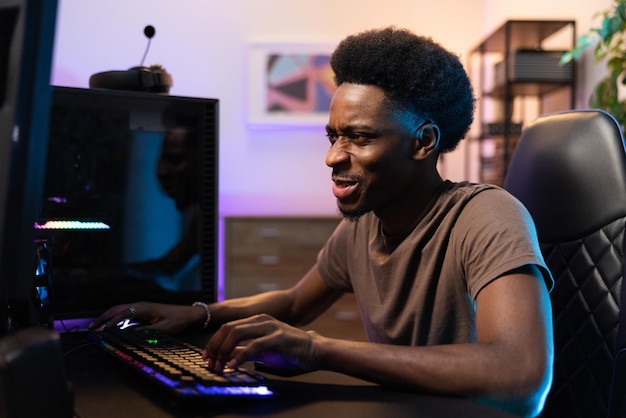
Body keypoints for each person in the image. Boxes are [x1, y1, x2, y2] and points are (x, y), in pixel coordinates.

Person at [90, 26, 554, 417]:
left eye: (359, 137)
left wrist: (316, 349)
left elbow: (519, 376)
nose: (333, 156)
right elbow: (293, 303)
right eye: (333, 136)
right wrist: (198, 314)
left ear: (423, 142)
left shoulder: (486, 215)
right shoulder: (363, 224)